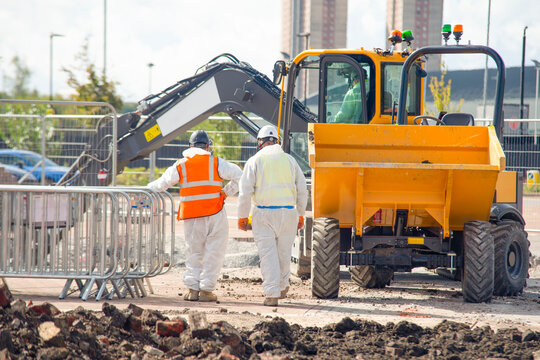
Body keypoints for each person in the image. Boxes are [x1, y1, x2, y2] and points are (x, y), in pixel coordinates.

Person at [148, 130, 242, 302]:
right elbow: (240, 176)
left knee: (194, 252)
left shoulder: (181, 165)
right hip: (215, 213)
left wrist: (143, 191)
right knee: (214, 251)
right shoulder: (216, 162)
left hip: (191, 216)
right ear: (207, 146)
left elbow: (161, 184)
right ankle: (206, 291)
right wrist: (225, 192)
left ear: (190, 146)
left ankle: (192, 290)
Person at [237, 125, 307, 306]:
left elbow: (244, 192)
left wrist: (243, 216)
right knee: (283, 253)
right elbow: (302, 190)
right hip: (288, 213)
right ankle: (283, 286)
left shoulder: (254, 160)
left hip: (264, 213)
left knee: (268, 255)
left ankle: (272, 294)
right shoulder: (290, 160)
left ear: (260, 143)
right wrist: (300, 214)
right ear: (277, 141)